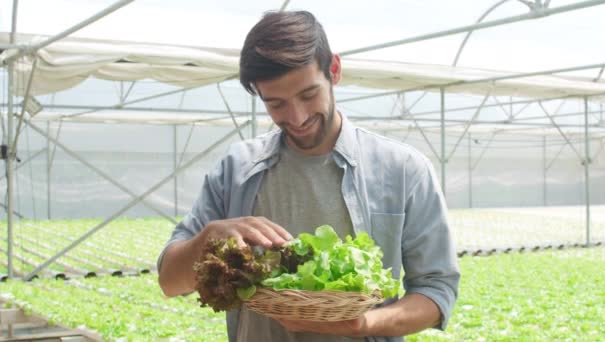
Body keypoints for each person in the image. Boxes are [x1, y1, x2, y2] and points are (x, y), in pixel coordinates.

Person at [158, 10, 460, 342]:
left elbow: (436, 291)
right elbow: (170, 282)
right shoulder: (236, 169)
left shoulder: (403, 170)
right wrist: (210, 237)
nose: (297, 117)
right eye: (276, 104)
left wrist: (365, 324)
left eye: (308, 95)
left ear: (334, 70)